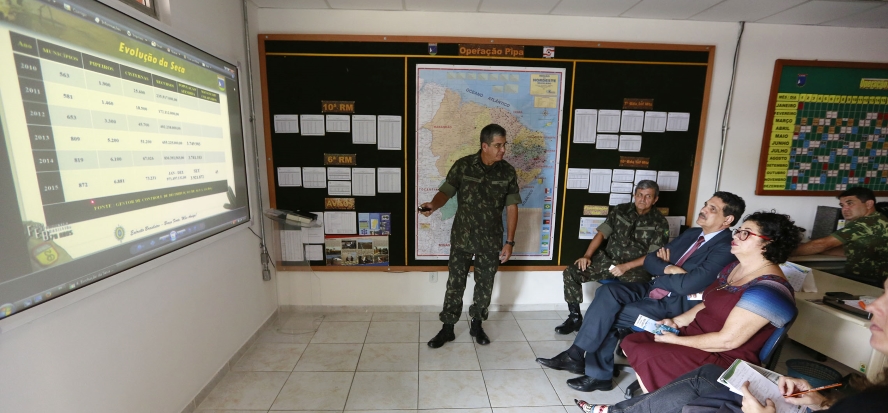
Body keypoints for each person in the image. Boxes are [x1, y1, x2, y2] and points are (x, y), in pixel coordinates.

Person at [574, 275, 888, 413]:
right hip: (682, 314)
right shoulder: (872, 394)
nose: (873, 305)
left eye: (745, 233)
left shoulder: (768, 290)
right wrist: (819, 403)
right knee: (704, 377)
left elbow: (727, 337)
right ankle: (616, 410)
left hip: (706, 333)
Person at [536, 192, 744, 392]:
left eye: (712, 208)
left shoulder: (725, 248)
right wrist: (669, 268)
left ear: (728, 219)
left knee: (611, 313)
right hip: (654, 287)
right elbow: (651, 260)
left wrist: (667, 270)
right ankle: (578, 356)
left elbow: (687, 286)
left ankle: (594, 372)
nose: (703, 210)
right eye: (706, 204)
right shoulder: (692, 234)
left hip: (674, 305)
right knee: (607, 293)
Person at [621, 211, 801, 392]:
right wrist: (675, 322)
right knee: (633, 342)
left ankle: (656, 401)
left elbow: (728, 342)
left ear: (768, 244)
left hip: (722, 357)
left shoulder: (769, 289)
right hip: (696, 338)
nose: (736, 235)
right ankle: (658, 399)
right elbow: (706, 303)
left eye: (745, 233)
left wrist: (676, 341)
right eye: (738, 230)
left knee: (648, 353)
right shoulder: (733, 267)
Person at [420, 123, 521, 348]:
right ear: (484, 146)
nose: (502, 150)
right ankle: (448, 328)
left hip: (490, 239)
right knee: (455, 284)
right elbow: (446, 191)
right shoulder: (463, 166)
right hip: (463, 237)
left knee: (484, 284)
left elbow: (512, 207)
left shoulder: (507, 172)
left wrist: (510, 242)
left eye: (504, 145)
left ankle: (477, 324)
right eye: (497, 145)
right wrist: (433, 206)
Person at [555, 180, 670, 334]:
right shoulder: (620, 211)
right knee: (571, 272)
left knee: (635, 294)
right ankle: (575, 318)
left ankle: (626, 331)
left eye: (648, 196)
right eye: (640, 195)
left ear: (655, 199)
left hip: (637, 269)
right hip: (608, 261)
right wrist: (587, 255)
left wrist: (626, 267)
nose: (642, 199)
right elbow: (602, 233)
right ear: (635, 195)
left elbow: (653, 255)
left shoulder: (660, 222)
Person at [792, 186, 888, 286]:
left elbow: (823, 244)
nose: (845, 209)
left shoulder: (864, 223)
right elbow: (851, 250)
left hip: (868, 282)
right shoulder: (879, 219)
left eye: (850, 203)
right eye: (842, 205)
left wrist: (784, 251)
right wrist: (814, 248)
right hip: (874, 280)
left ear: (869, 204)